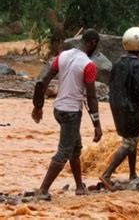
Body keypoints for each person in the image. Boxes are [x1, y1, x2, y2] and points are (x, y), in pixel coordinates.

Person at [31, 29, 102, 199]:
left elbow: (44, 81)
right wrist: (97, 124)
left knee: (75, 149)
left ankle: (79, 187)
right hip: (71, 113)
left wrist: (38, 106)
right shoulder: (89, 65)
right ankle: (43, 190)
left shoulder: (62, 56)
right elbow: (91, 97)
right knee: (64, 152)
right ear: (92, 43)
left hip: (58, 109)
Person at [99, 27, 139, 191]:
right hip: (131, 107)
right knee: (129, 141)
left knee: (133, 139)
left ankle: (132, 173)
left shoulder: (118, 62)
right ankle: (107, 174)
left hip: (117, 105)